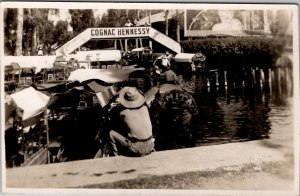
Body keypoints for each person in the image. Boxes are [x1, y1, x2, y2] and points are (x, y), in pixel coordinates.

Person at [109, 87, 155, 157]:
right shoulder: (145, 107)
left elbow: (113, 117)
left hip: (137, 149)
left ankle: (116, 157)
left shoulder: (123, 112)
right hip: (151, 145)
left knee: (111, 133)